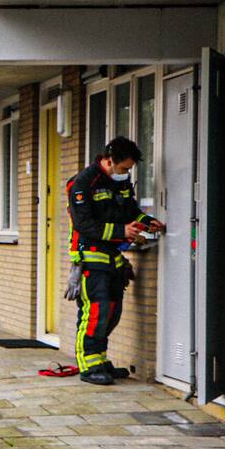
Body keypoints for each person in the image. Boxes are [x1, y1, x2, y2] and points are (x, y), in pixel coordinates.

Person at [66, 136, 164, 385]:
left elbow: (129, 210)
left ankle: (100, 359)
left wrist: (147, 222)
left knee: (112, 312)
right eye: (123, 169)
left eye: (129, 170)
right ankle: (87, 365)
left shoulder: (120, 183)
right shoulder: (83, 183)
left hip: (112, 258)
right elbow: (83, 223)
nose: (126, 173)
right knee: (95, 311)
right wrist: (122, 232)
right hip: (89, 257)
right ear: (109, 161)